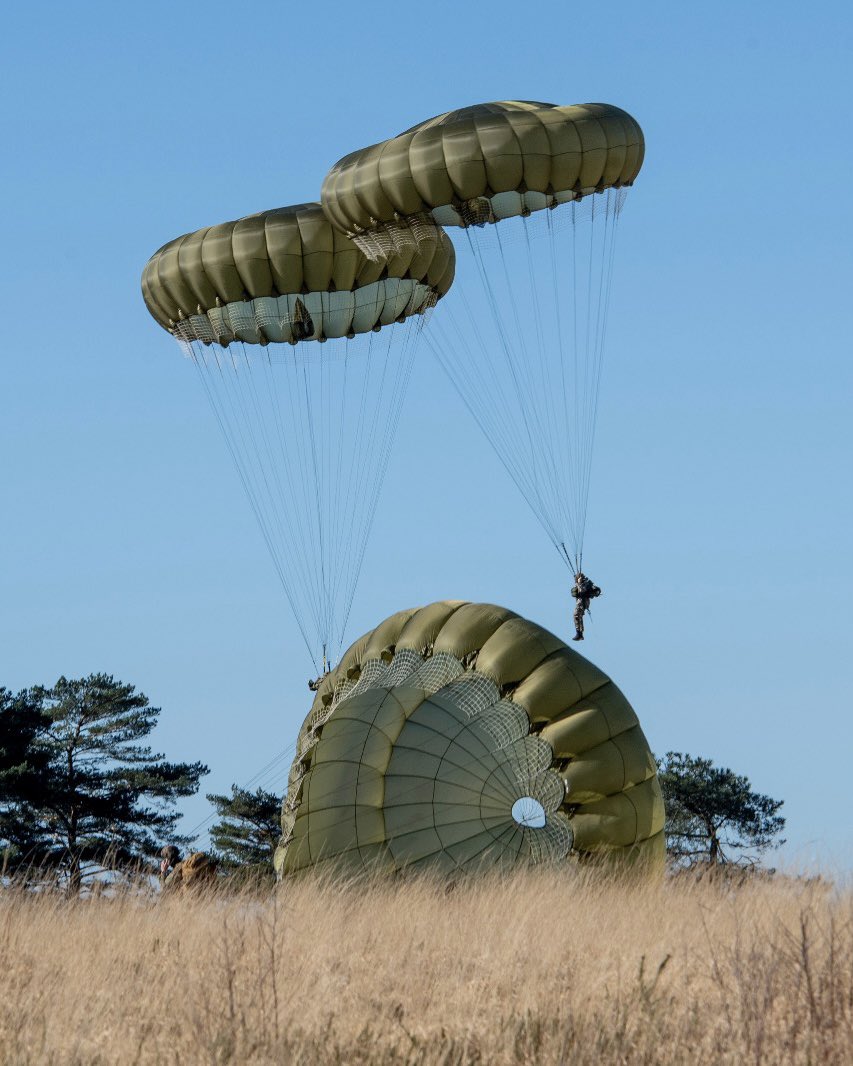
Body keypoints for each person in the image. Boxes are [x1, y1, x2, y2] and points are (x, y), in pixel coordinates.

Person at [571, 572, 601, 641]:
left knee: (577, 615)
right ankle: (579, 633)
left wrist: (579, 583)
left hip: (582, 603)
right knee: (577, 616)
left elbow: (582, 591)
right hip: (581, 603)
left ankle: (579, 634)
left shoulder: (584, 584)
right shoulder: (581, 584)